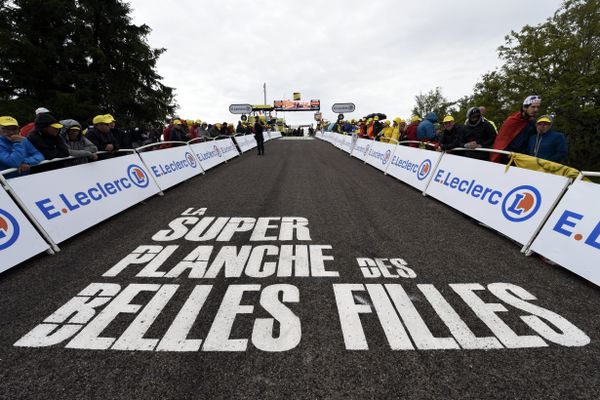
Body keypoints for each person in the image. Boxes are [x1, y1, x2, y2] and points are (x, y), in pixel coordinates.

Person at [491, 95, 541, 162]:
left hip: (523, 158)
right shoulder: (512, 120)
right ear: (524, 107)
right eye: (533, 107)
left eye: (538, 107)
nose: (536, 110)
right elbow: (501, 141)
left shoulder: (534, 123)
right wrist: (507, 153)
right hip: (507, 157)